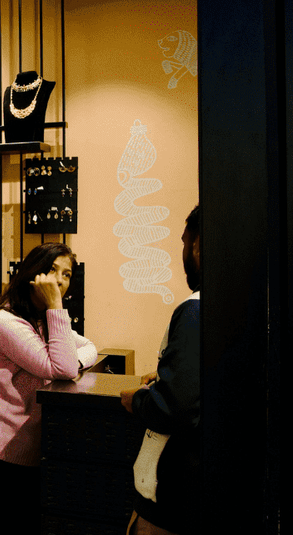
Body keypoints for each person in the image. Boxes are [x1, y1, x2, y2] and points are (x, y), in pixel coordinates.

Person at [0, 241, 97, 530]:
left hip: (26, 450)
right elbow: (62, 368)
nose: (59, 281)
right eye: (52, 270)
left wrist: (71, 358)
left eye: (67, 274)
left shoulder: (43, 321)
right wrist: (56, 305)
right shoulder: (5, 323)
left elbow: (90, 347)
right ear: (32, 274)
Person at [121, 206, 203, 535]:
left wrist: (139, 400)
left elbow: (175, 406)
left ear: (197, 246)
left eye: (184, 242)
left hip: (175, 492)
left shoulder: (194, 311)